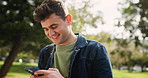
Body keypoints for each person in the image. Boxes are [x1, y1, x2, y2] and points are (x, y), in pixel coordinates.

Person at [31, 0, 113, 78]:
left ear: (68, 20)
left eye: (54, 27)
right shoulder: (45, 52)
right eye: (46, 29)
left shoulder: (96, 50)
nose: (51, 33)